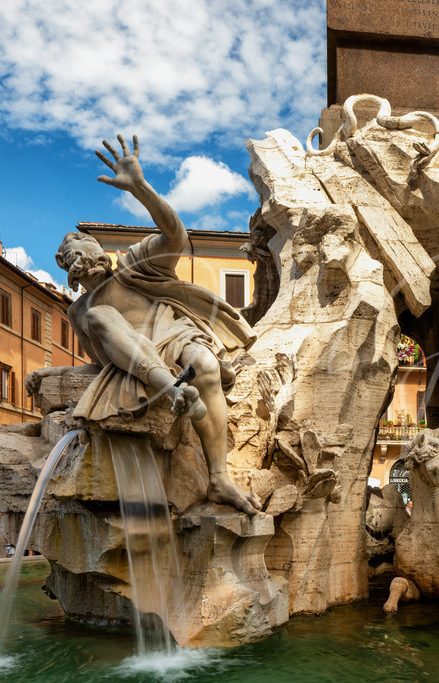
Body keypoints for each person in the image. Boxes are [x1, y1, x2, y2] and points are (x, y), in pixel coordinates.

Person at [24, 135, 259, 515]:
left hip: (172, 335)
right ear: (64, 264)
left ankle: (219, 477)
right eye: (78, 249)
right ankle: (173, 391)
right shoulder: (80, 311)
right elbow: (104, 363)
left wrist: (140, 188)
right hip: (140, 366)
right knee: (100, 314)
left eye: (91, 244)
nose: (89, 252)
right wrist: (54, 371)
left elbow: (175, 236)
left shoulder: (135, 266)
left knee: (207, 365)